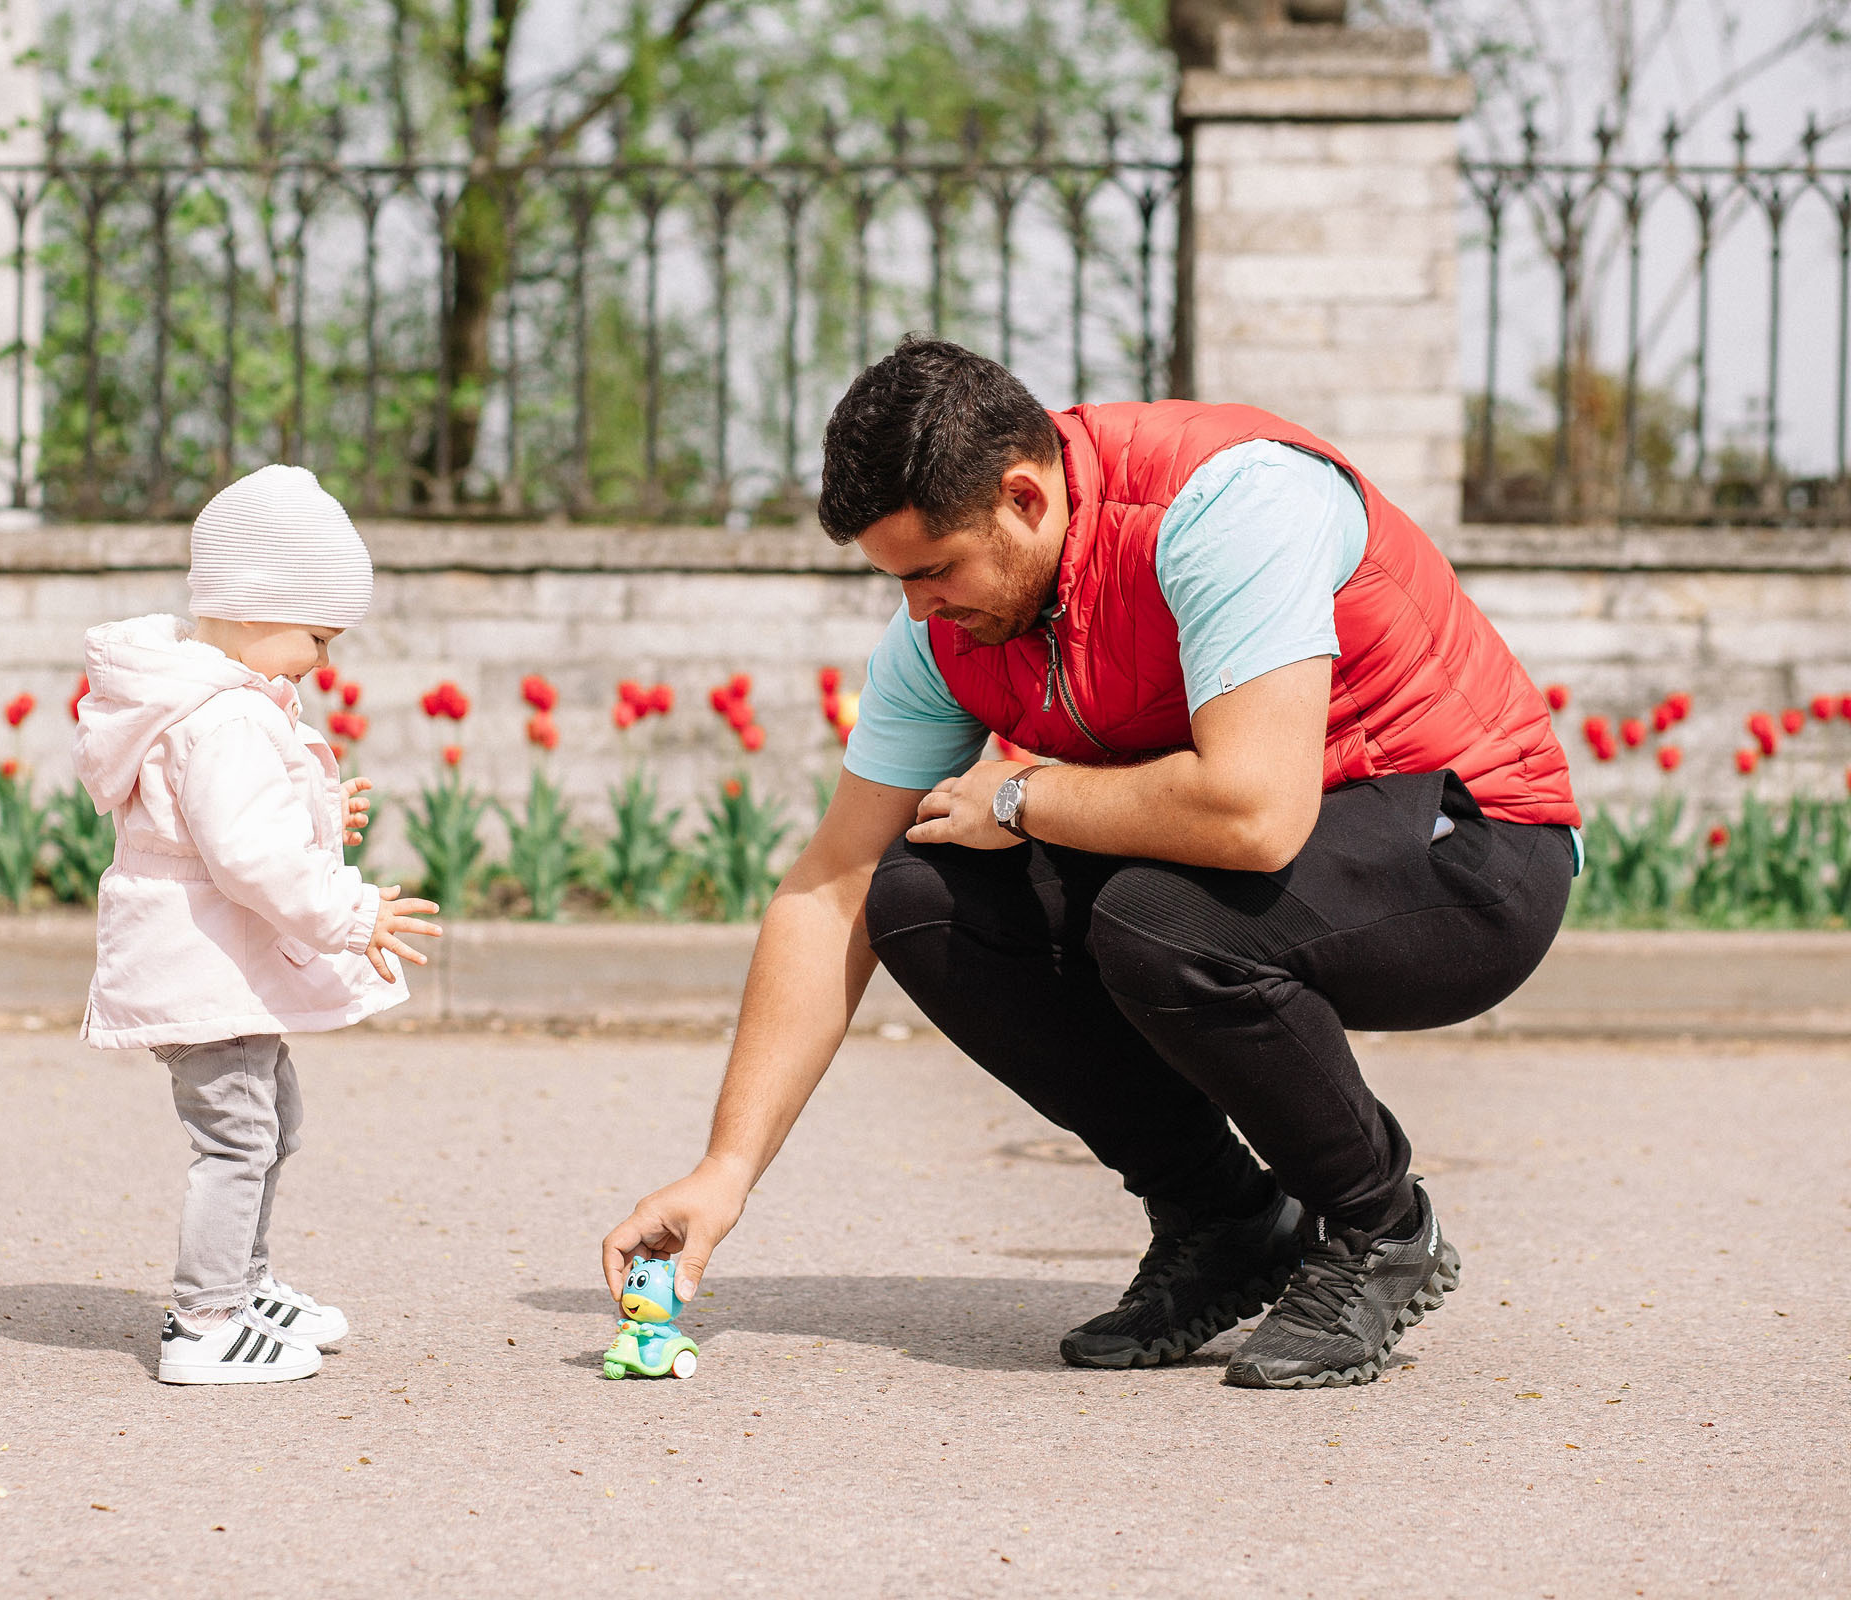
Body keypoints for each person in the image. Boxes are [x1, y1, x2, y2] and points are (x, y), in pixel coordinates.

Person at [603, 338, 1579, 1389]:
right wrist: (726, 1170)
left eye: (933, 570)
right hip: (1255, 865)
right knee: (920, 897)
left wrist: (1021, 797)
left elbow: (1254, 814)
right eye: (897, 580)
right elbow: (830, 883)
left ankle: (1381, 1227)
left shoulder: (1223, 504)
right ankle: (1225, 1221)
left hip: (1473, 847)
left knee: (1159, 920)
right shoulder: (947, 630)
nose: (919, 608)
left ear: (1023, 498)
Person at [73, 464, 441, 1385]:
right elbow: (248, 857)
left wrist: (319, 808)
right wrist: (352, 913)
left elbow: (217, 825)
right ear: (255, 608)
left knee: (273, 1121)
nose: (323, 661)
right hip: (205, 971)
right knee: (240, 1137)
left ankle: (243, 1285)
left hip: (215, 967)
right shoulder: (227, 716)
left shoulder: (208, 703)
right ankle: (204, 1322)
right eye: (318, 636)